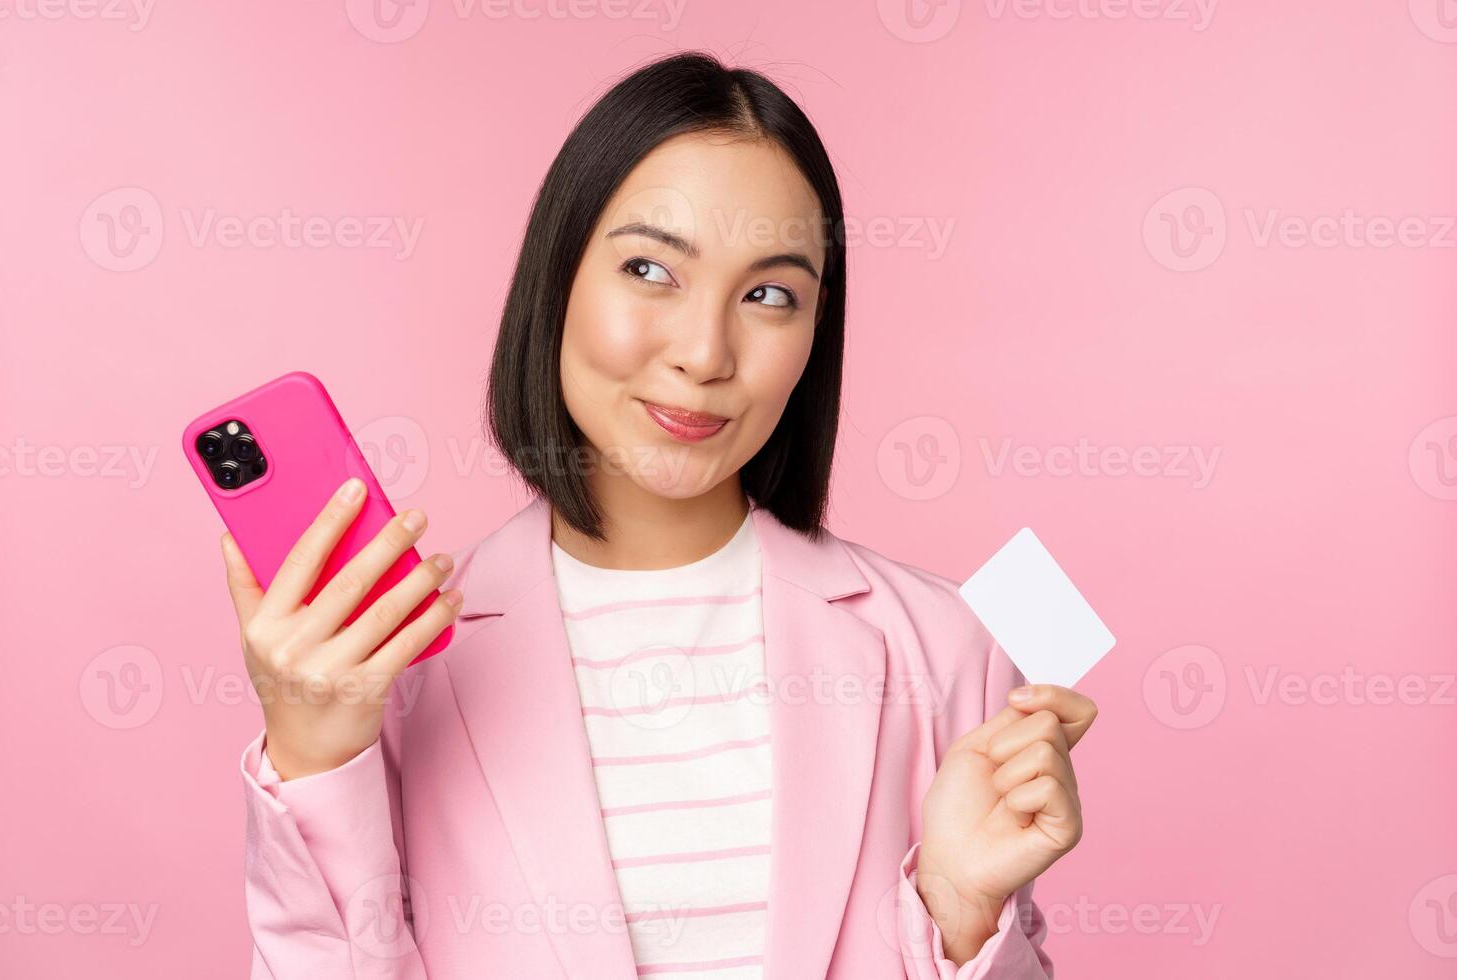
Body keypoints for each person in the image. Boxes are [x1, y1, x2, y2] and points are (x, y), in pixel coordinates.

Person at [226, 50, 1096, 979]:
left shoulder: (953, 645)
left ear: (815, 333)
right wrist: (314, 755)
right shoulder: (392, 664)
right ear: (556, 279)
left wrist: (960, 911)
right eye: (650, 268)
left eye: (770, 294)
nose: (704, 351)